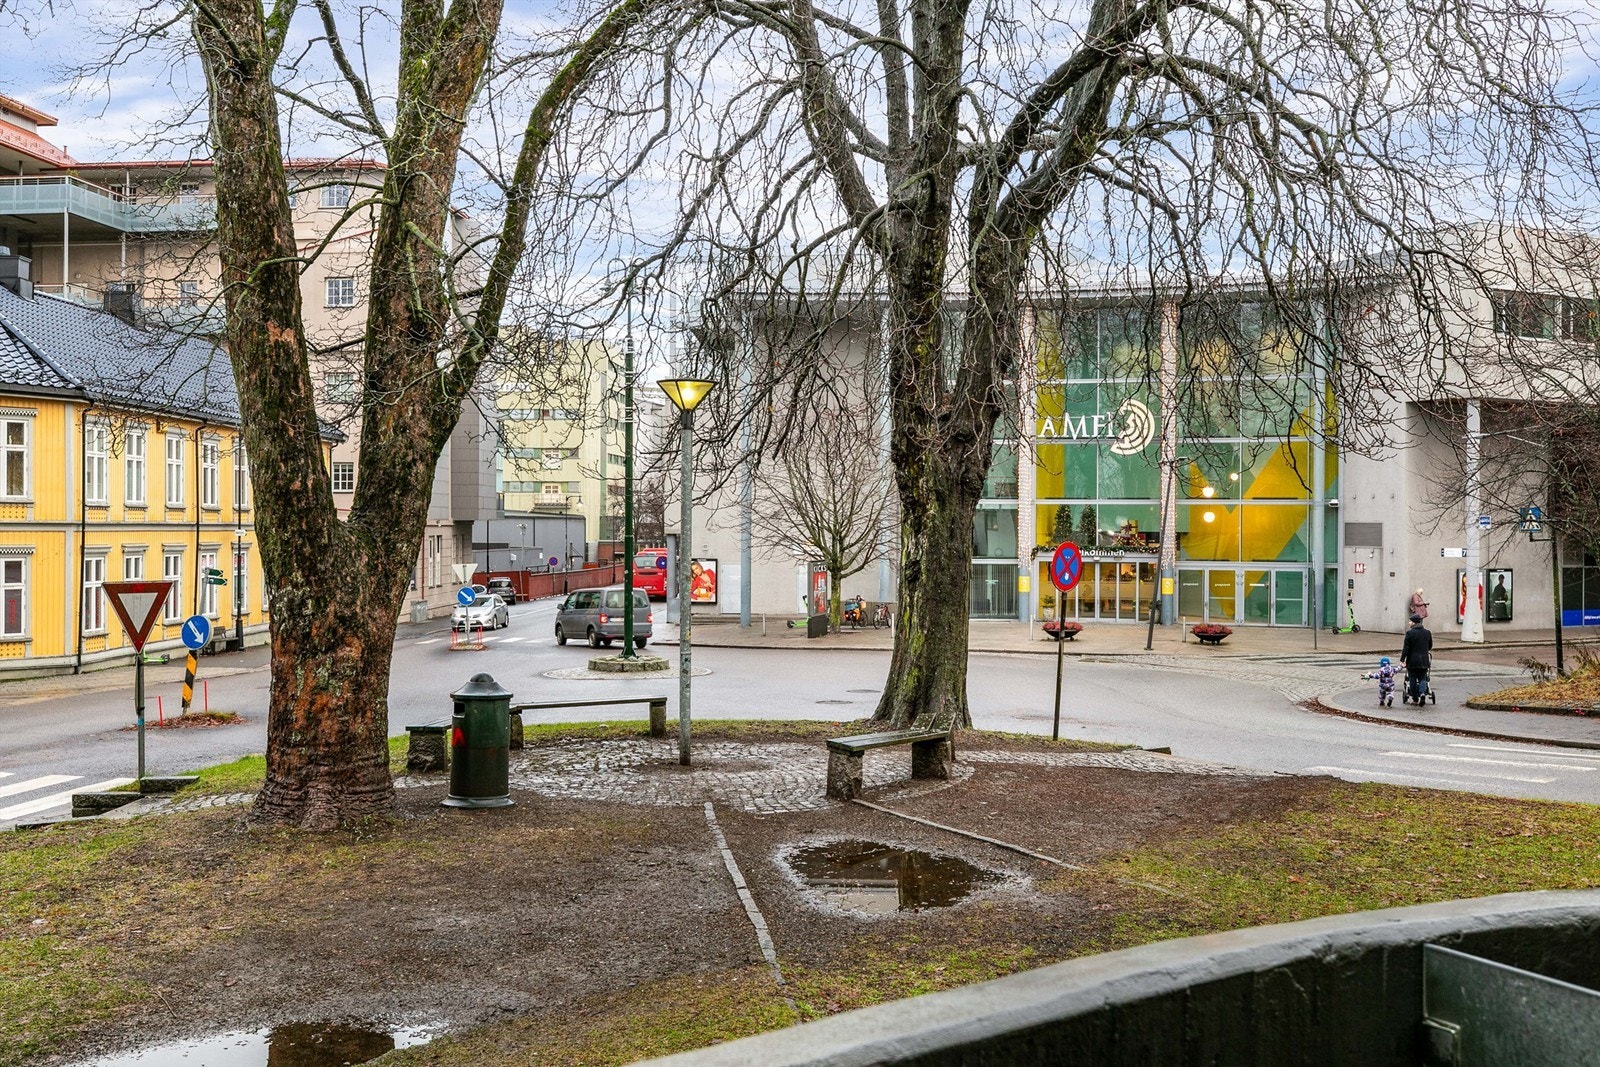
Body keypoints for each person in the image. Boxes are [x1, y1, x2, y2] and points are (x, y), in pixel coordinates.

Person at [1400, 614, 1433, 705]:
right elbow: (1430, 646)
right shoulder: (1427, 632)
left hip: (1412, 661)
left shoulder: (1410, 633)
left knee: (1412, 679)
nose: (1409, 623)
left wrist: (1402, 659)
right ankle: (1422, 693)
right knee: (1423, 678)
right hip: (1424, 660)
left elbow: (1406, 648)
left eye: (1410, 621)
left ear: (1414, 622)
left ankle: (1415, 698)